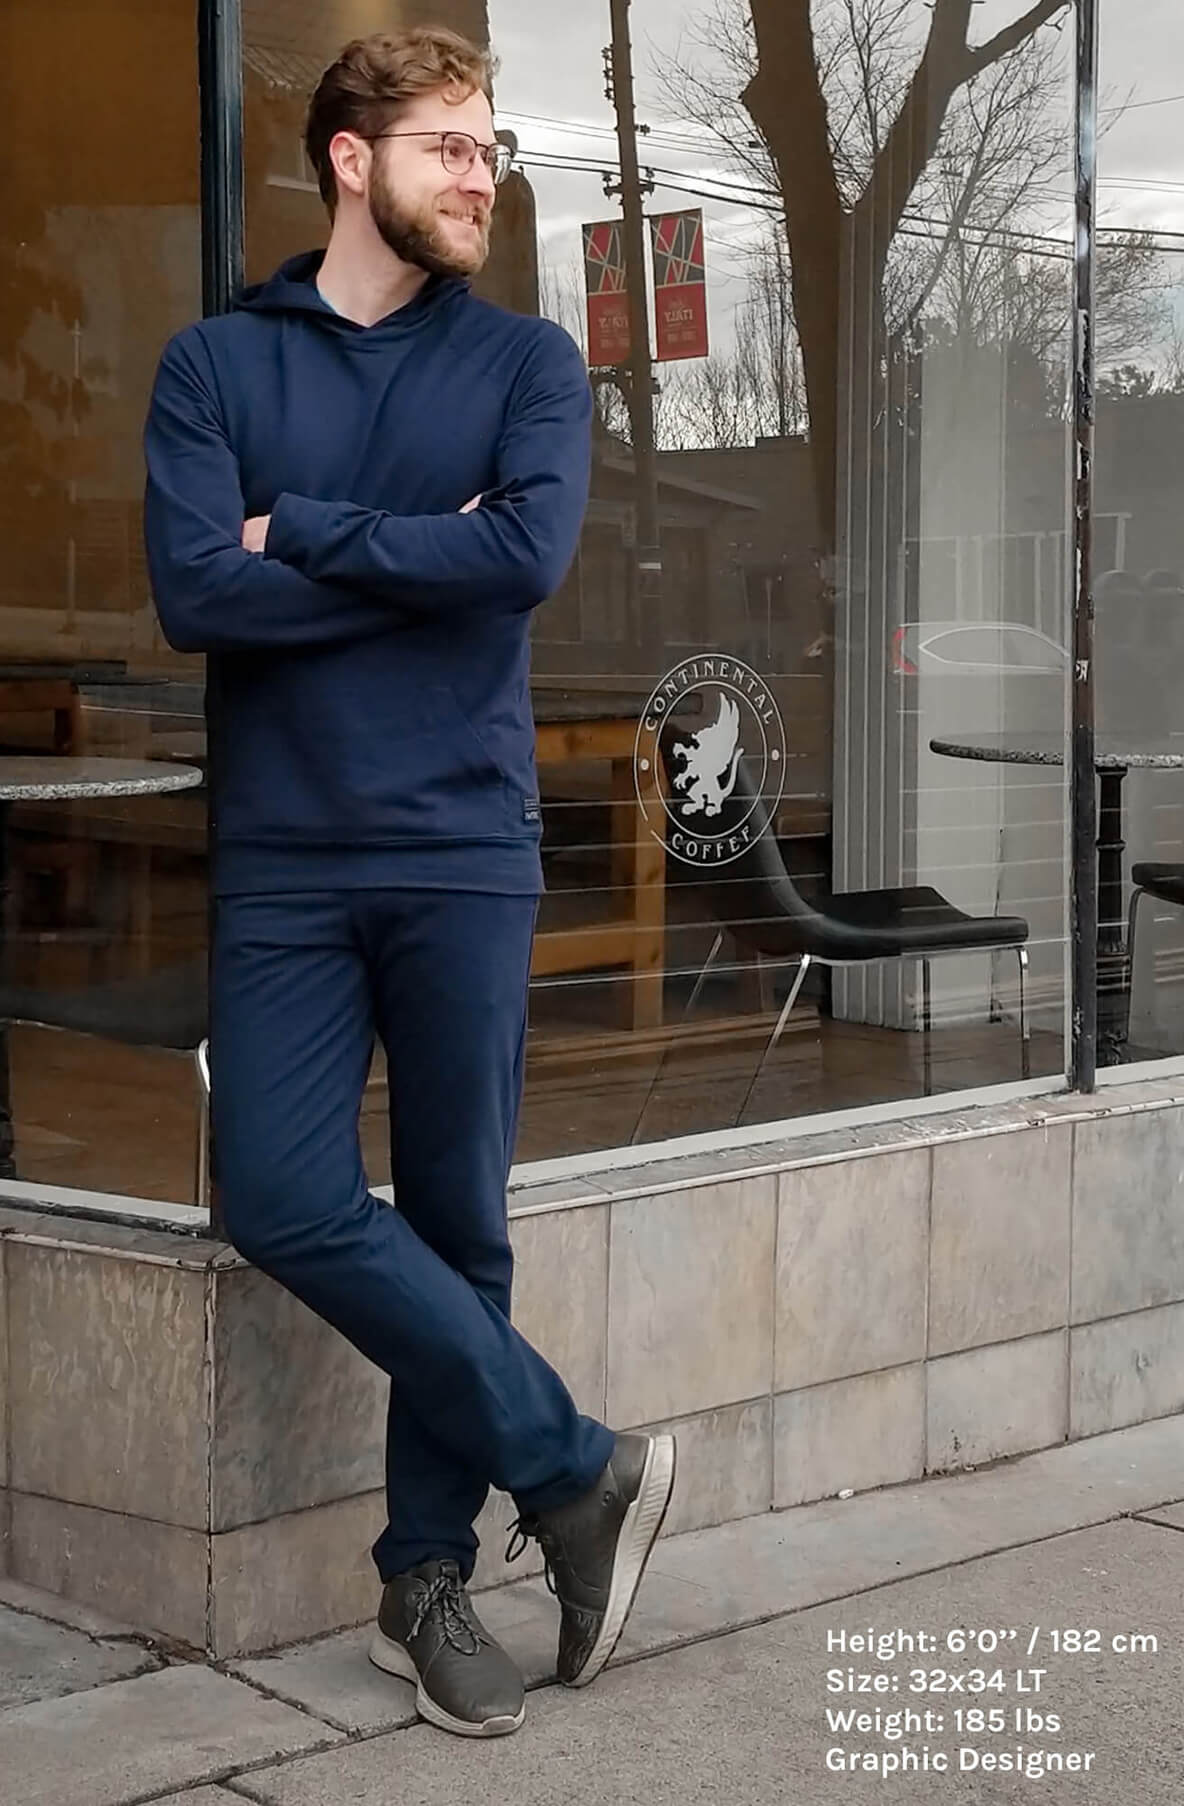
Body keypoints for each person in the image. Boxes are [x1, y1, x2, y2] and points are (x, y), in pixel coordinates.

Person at [143, 25, 675, 1742]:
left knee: (460, 1222)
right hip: (288, 859)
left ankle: (422, 1580)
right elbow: (192, 601)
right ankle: (577, 1462)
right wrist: (402, 553)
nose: (485, 172)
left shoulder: (523, 363)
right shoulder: (216, 363)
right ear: (350, 159)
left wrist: (297, 532)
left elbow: (516, 555)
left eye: (494, 145)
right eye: (452, 144)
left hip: (460, 845)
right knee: (282, 1194)